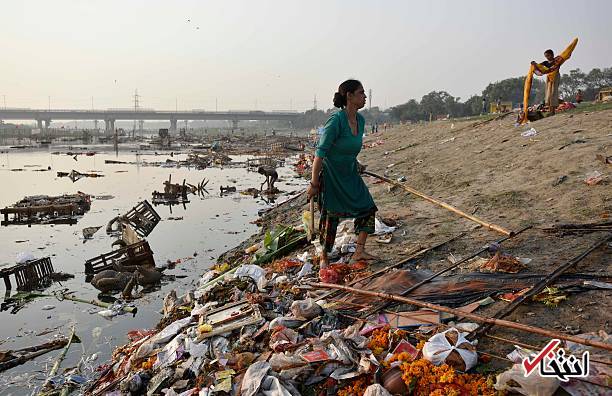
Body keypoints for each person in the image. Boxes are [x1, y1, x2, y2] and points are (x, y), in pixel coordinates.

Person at [307, 79, 378, 268]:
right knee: (331, 217)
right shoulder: (336, 120)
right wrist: (314, 184)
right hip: (332, 176)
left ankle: (359, 251)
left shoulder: (361, 121)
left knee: (368, 208)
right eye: (361, 93)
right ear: (350, 96)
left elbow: (347, 149)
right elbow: (320, 153)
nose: (364, 97)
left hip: (350, 174)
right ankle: (324, 256)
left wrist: (357, 163)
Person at [532, 49, 563, 114]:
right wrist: (534, 64)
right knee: (548, 93)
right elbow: (539, 66)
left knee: (553, 93)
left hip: (555, 76)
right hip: (549, 77)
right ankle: (550, 110)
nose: (547, 57)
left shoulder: (556, 60)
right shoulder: (545, 63)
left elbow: (562, 58)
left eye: (548, 55)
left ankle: (553, 111)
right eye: (546, 56)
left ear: (552, 55)